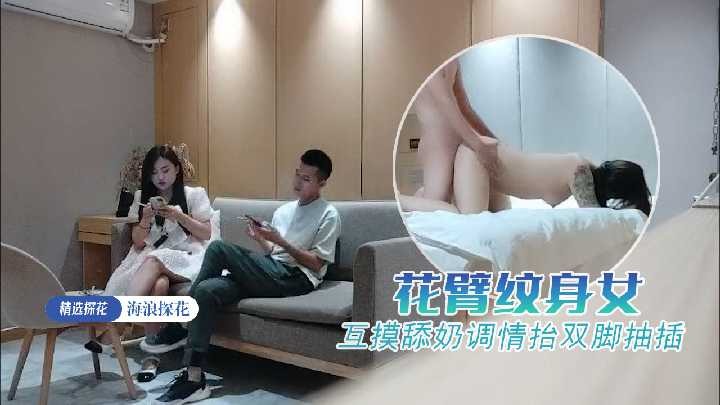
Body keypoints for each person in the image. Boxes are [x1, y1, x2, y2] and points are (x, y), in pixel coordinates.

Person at [153, 149, 341, 404]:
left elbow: (317, 264)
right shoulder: (285, 211)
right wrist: (262, 239)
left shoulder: (329, 214)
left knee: (218, 248)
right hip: (272, 271)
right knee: (207, 291)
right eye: (298, 174)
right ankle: (194, 378)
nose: (298, 182)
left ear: (322, 183)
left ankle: (179, 323)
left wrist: (281, 241)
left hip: (298, 279)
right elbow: (274, 253)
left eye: (306, 179)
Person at [403, 60, 652, 217]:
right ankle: (400, 202)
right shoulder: (581, 171)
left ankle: (418, 198)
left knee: (486, 214)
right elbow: (593, 216)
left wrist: (491, 142)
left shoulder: (581, 167)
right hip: (471, 155)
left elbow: (464, 108)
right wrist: (479, 145)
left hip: (477, 153)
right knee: (457, 217)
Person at [85, 145, 216, 353]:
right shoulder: (142, 197)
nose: (160, 177)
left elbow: (206, 233)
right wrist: (145, 219)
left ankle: (117, 326)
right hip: (155, 258)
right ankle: (152, 354)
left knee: (154, 260)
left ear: (177, 169)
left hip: (189, 257)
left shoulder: (194, 195)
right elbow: (138, 242)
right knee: (159, 284)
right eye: (154, 172)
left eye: (165, 170)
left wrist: (180, 216)